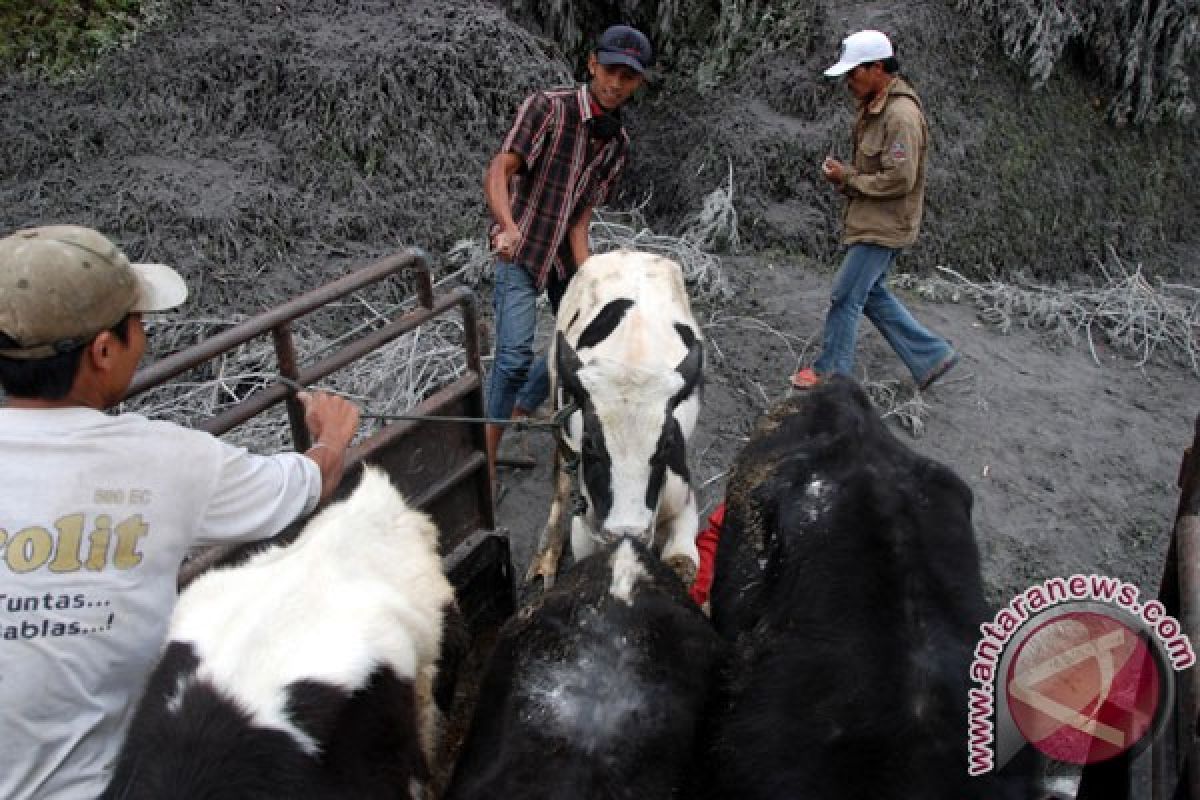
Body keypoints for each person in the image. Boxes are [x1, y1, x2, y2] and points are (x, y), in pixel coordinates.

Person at [0, 225, 361, 800]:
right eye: (137, 323)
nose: (144, 336)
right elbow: (300, 485)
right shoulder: (169, 460)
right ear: (102, 351)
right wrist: (333, 437)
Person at [483, 24, 653, 482]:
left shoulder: (617, 145)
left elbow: (580, 219)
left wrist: (591, 280)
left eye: (628, 77)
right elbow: (501, 167)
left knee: (583, 338)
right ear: (592, 64)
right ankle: (486, 457)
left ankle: (522, 406)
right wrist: (507, 226)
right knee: (514, 356)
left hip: (560, 257)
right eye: (610, 71)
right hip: (519, 249)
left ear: (638, 82)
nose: (615, 85)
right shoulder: (549, 109)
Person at [791, 29, 959, 392]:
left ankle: (832, 375)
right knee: (871, 294)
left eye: (854, 73)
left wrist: (849, 178)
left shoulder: (900, 116)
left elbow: (900, 179)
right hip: (875, 220)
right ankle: (932, 356)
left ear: (877, 68)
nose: (849, 82)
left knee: (845, 295)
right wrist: (846, 178)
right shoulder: (878, 107)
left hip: (884, 225)